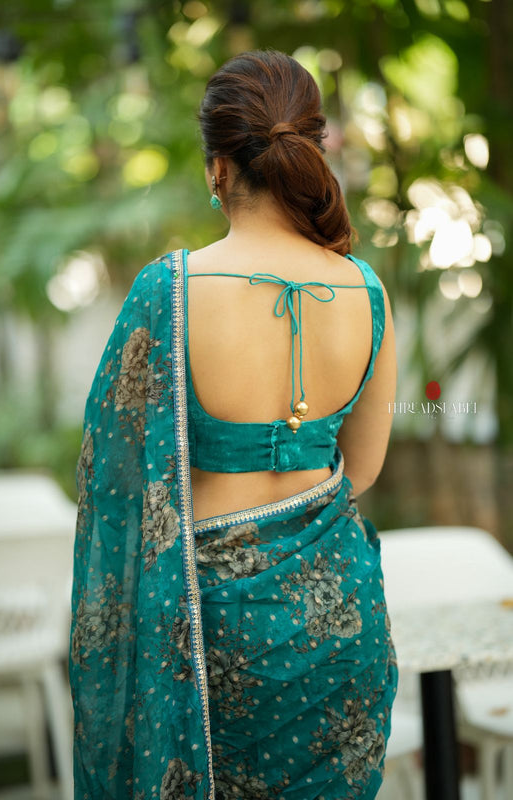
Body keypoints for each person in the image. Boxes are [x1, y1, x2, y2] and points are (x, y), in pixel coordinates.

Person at [69, 49, 399, 800]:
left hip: (214, 626)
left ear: (218, 167)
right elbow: (366, 466)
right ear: (312, 148)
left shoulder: (169, 289)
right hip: (340, 619)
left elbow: (112, 477)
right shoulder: (366, 289)